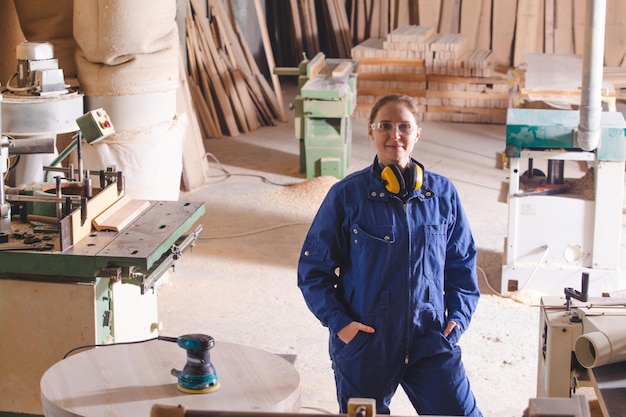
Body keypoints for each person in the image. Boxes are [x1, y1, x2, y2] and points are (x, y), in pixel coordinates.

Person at [297, 93, 482, 416]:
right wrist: (341, 325)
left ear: (417, 134)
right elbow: (313, 271)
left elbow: (462, 265)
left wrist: (458, 318)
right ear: (370, 131)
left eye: (404, 127)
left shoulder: (443, 195)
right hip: (367, 345)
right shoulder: (346, 196)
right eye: (385, 125)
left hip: (431, 338)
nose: (394, 135)